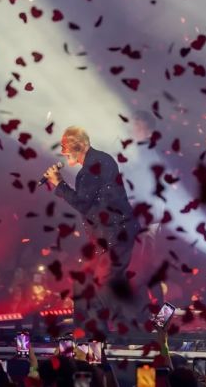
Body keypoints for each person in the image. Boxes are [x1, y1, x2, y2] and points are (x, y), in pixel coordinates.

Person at [43, 126, 141, 334]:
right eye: (64, 147)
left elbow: (83, 203)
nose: (65, 151)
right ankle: (90, 332)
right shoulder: (94, 164)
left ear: (83, 145)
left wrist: (59, 183)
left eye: (69, 146)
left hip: (116, 233)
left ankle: (131, 328)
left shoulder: (94, 166)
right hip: (108, 236)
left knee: (104, 282)